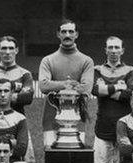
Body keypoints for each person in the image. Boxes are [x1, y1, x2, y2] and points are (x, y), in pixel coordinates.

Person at [92, 36, 133, 163]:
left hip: (125, 127)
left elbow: (130, 95)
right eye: (110, 47)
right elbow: (95, 91)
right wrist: (117, 87)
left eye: (117, 47)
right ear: (105, 49)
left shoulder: (130, 70)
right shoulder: (96, 69)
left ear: (122, 50)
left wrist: (106, 89)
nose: (113, 50)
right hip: (102, 128)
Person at [38, 19, 94, 147]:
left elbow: (86, 89)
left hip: (77, 117)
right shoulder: (48, 60)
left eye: (71, 31)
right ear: (58, 34)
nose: (67, 35)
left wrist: (55, 85)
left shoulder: (86, 61)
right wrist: (67, 84)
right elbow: (43, 86)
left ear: (76, 34)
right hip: (51, 117)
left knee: (76, 157)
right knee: (52, 158)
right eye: (64, 31)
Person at [0, 36, 35, 163]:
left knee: (26, 159)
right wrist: (16, 93)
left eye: (11, 48)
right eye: (4, 48)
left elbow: (28, 98)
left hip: (18, 120)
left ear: (16, 50)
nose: (7, 52)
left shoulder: (24, 74)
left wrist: (0, 95)